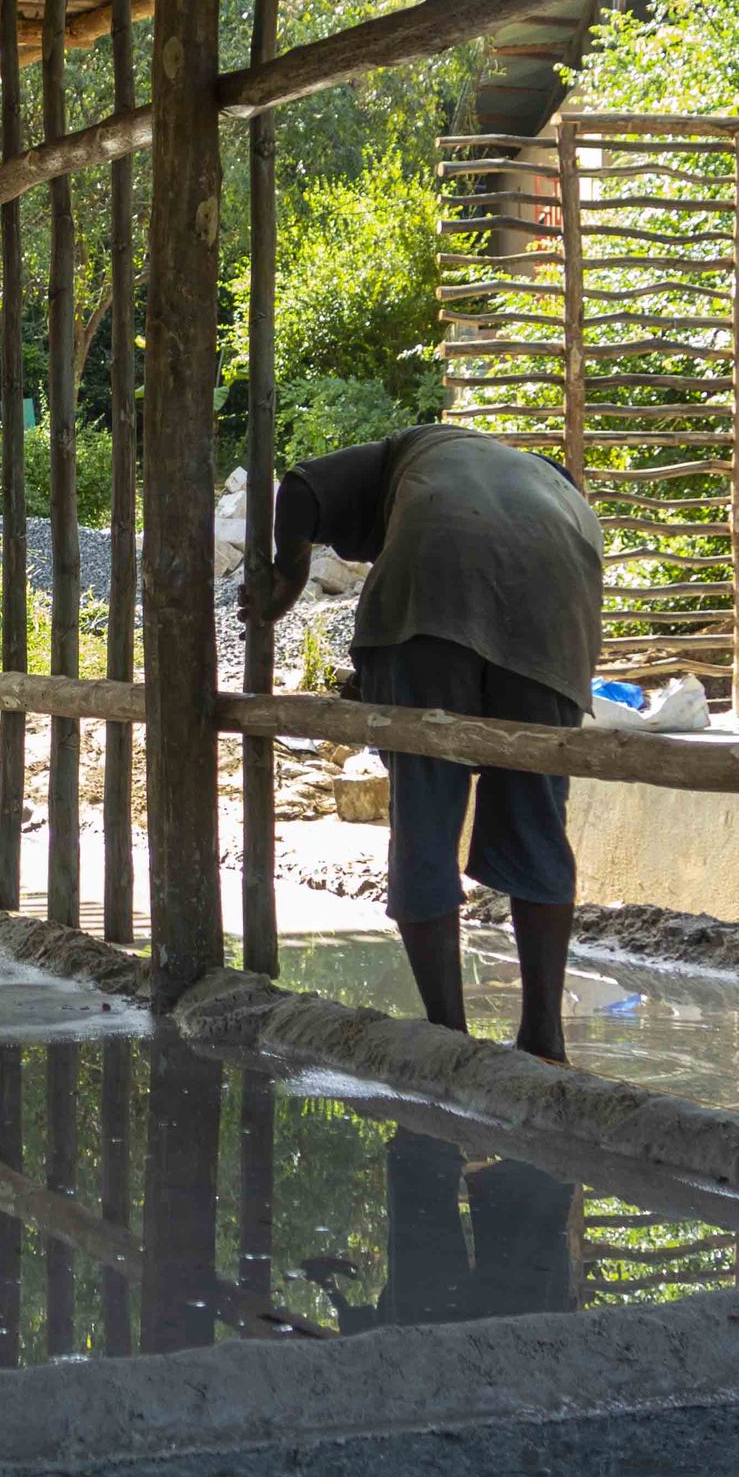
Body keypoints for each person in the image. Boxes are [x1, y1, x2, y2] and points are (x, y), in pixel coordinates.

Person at [239, 425, 602, 1062]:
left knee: (426, 817)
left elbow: (299, 488)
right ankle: (545, 1039)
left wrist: (287, 582)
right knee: (535, 812)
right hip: (556, 614)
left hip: (430, 598)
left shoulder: (414, 448)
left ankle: (448, 1040)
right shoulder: (555, 488)